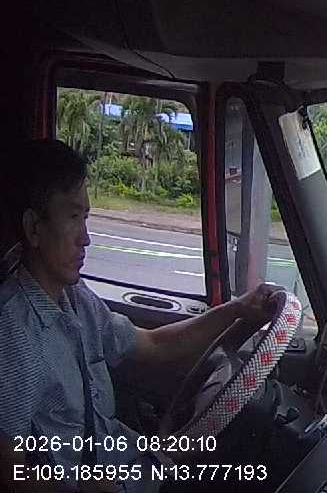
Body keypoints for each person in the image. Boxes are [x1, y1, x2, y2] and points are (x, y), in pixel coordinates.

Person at [0, 140, 277, 492]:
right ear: (34, 228)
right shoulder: (13, 334)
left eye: (85, 218)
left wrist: (236, 310)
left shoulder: (74, 297)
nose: (85, 238)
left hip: (131, 464)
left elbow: (153, 344)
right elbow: (9, 473)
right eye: (72, 218)